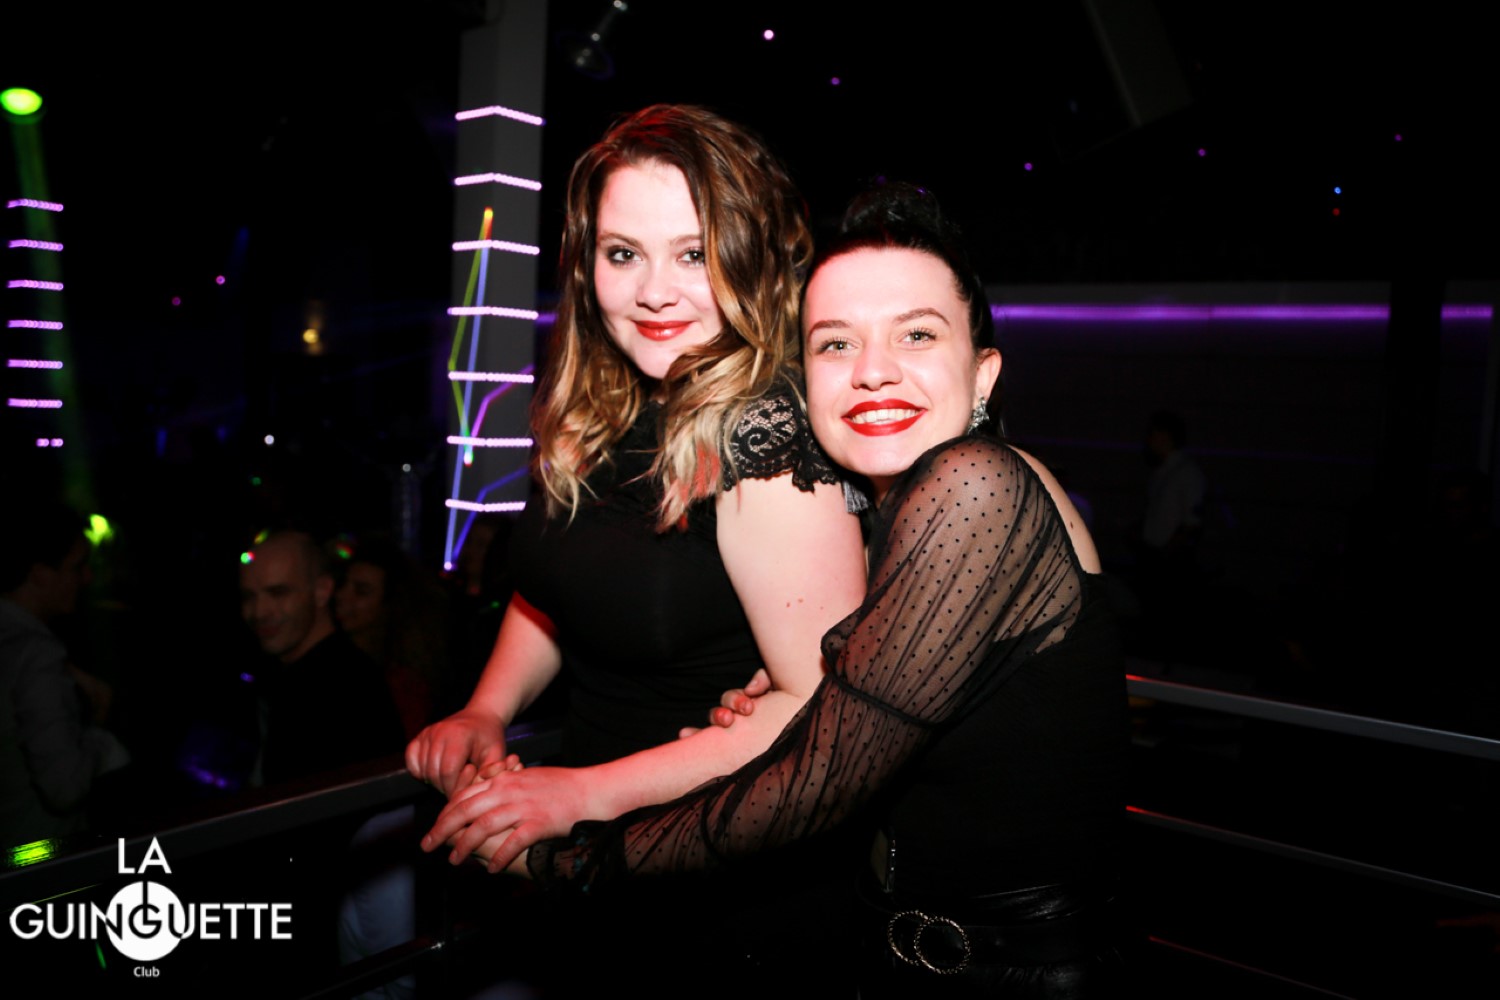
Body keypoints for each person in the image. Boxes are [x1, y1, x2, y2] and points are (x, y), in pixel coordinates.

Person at [433, 183, 1132, 997]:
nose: (873, 372)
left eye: (916, 334)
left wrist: (574, 859)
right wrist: (818, 687)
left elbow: (822, 783)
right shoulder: (896, 513)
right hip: (916, 954)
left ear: (984, 374)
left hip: (1019, 975)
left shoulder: (976, 484)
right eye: (836, 344)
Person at [405, 105, 866, 988]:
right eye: (623, 254)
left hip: (723, 882)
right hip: (591, 860)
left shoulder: (763, 438)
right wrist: (485, 710)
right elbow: (555, 590)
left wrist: (582, 794)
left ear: (750, 258)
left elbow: (821, 710)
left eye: (693, 254)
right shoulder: (598, 410)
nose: (654, 291)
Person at [1, 500, 129, 848]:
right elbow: (64, 787)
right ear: (40, 573)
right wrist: (99, 735)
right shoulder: (35, 654)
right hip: (39, 858)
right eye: (78, 566)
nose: (87, 578)